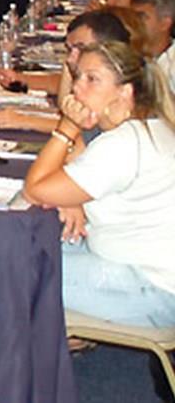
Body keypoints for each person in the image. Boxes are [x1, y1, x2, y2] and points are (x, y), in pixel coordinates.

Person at [22, 40, 175, 328]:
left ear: (124, 92)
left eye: (92, 79)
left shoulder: (124, 143)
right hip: (142, 269)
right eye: (78, 76)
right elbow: (75, 168)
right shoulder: (150, 127)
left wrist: (67, 126)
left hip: (154, 290)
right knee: (23, 244)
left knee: (11, 266)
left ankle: (42, 346)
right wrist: (76, 199)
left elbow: (35, 189)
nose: (77, 88)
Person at [0, 8, 141, 132]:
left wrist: (24, 120)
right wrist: (21, 78)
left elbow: (82, 127)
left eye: (81, 48)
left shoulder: (119, 90)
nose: (70, 58)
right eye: (69, 49)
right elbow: (63, 106)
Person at [132, 0, 175, 87]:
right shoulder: (130, 56)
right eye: (132, 16)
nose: (134, 22)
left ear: (165, 23)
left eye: (141, 16)